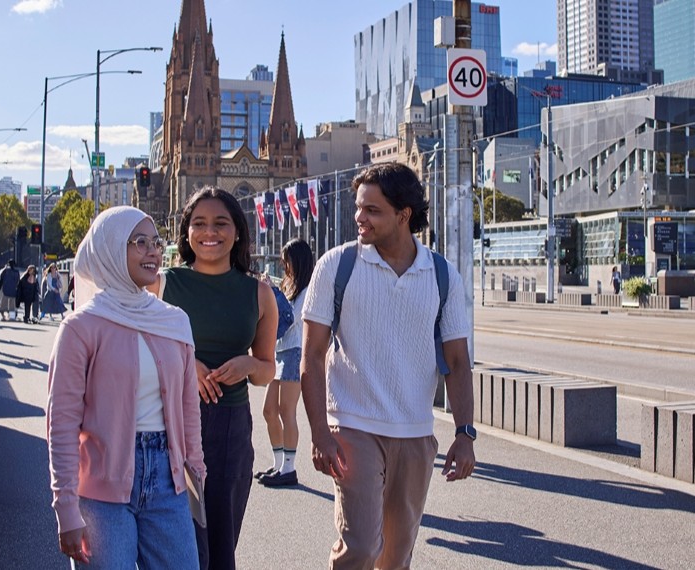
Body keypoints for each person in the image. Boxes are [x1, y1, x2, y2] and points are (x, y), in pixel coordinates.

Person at [300, 162, 475, 569]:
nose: (360, 218)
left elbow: (457, 362)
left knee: (395, 558)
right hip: (354, 426)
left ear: (404, 215)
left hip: (415, 433)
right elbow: (310, 355)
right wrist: (320, 432)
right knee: (360, 547)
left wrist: (465, 433)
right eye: (359, 208)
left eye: (372, 210)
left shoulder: (442, 275)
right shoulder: (337, 265)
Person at [47, 205, 204, 568]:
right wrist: (66, 508)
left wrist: (196, 470)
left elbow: (187, 407)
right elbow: (62, 424)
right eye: (139, 242)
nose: (153, 251)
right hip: (102, 486)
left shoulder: (174, 321)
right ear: (111, 249)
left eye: (156, 242)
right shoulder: (80, 328)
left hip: (169, 481)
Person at [149, 187, 277, 570]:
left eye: (221, 223)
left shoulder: (259, 292)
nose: (210, 232)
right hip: (165, 424)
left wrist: (249, 365)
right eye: (199, 223)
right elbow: (137, 357)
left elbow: (267, 369)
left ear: (237, 231)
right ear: (186, 231)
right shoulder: (161, 285)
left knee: (220, 546)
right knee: (175, 545)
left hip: (229, 431)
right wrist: (189, 366)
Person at [257, 239, 314, 488]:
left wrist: (274, 293)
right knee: (269, 410)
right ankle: (279, 462)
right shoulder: (290, 286)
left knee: (285, 410)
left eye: (287, 260)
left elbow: (290, 319)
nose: (284, 265)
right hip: (281, 351)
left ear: (297, 262)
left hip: (294, 352)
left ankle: (289, 469)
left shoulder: (308, 290)